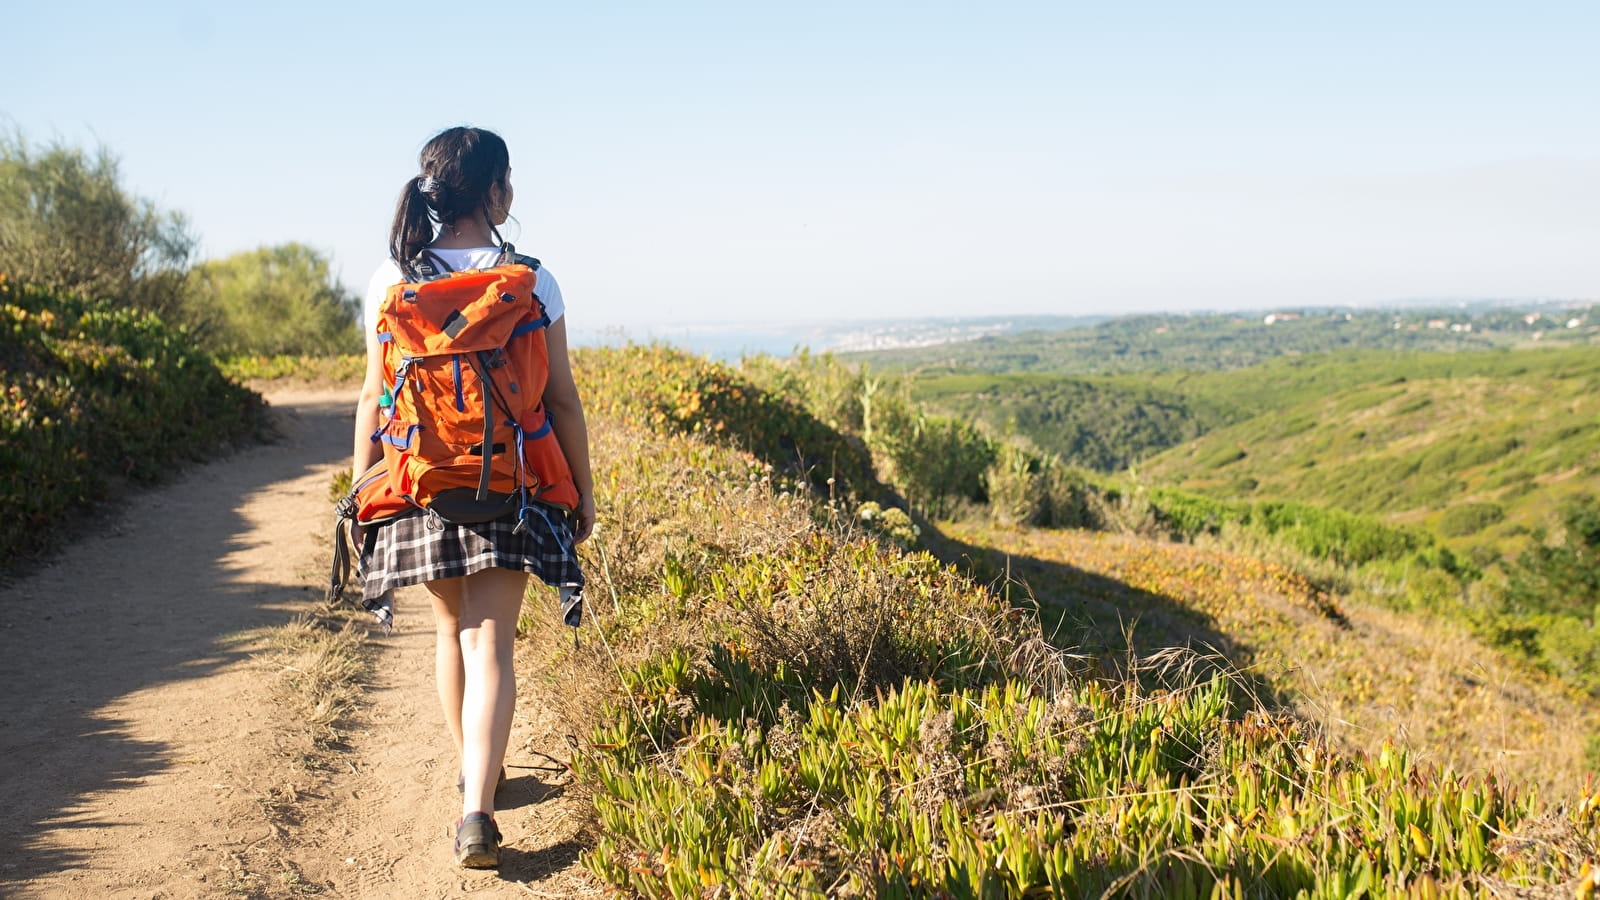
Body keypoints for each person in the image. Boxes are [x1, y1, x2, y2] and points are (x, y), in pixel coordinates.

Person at [350, 125, 596, 869]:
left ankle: (471, 775)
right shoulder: (531, 281)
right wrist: (583, 491)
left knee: (449, 632)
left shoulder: (392, 284)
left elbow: (372, 398)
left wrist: (363, 488)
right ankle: (477, 812)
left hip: (423, 484)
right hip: (512, 485)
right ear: (495, 193)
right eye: (509, 180)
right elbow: (562, 402)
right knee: (493, 643)